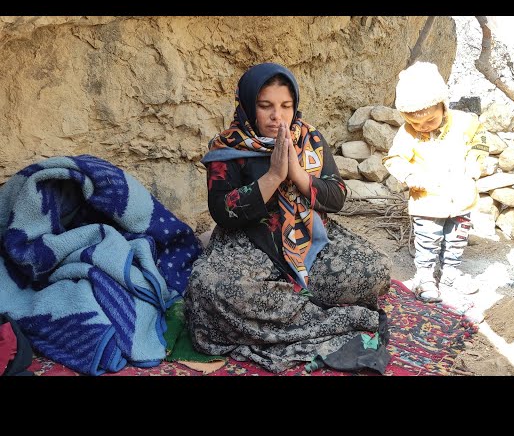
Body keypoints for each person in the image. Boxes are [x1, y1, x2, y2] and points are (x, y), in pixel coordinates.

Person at [184, 62, 392, 373]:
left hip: (309, 239)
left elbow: (336, 197)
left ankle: (285, 305)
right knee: (208, 286)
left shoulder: (310, 141)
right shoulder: (227, 146)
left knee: (376, 270)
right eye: (265, 106)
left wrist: (297, 174)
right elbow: (222, 212)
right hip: (249, 243)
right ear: (247, 105)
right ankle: (333, 316)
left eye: (286, 106)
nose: (276, 116)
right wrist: (272, 177)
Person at [383, 61, 488, 321]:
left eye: (430, 119)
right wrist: (409, 176)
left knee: (456, 239)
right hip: (427, 201)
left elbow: (480, 140)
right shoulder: (407, 133)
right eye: (416, 123)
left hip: (461, 198)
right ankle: (425, 277)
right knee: (428, 240)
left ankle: (451, 274)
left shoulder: (465, 123)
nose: (424, 127)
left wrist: (476, 160)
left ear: (443, 104)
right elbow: (394, 160)